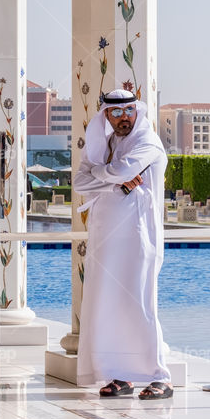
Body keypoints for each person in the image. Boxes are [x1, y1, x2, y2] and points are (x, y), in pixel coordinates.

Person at [72, 89, 172, 400]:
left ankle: (159, 376)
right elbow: (78, 181)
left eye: (129, 111)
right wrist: (112, 177)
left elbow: (122, 171)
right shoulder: (106, 145)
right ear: (106, 116)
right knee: (108, 304)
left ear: (136, 112)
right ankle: (121, 375)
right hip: (105, 238)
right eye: (116, 113)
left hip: (138, 237)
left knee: (140, 303)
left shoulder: (147, 142)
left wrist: (105, 175)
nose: (123, 117)